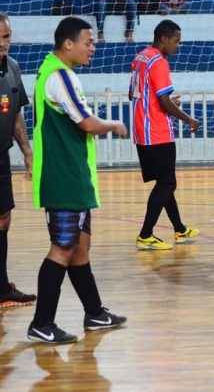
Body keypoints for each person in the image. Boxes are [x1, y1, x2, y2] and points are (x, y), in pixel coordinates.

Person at [28, 17, 127, 344]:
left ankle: (95, 313)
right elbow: (85, 122)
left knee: (80, 248)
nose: (93, 47)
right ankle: (42, 323)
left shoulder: (50, 71)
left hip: (71, 176)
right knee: (62, 248)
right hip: (64, 177)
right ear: (67, 44)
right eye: (88, 41)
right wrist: (113, 124)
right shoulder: (60, 76)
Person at [130, 20, 200, 250]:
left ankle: (179, 229)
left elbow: (134, 94)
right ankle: (145, 234)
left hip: (142, 130)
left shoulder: (141, 57)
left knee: (164, 182)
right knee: (167, 183)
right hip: (157, 132)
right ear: (164, 39)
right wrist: (187, 118)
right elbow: (162, 101)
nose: (177, 46)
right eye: (176, 41)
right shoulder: (159, 62)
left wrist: (167, 101)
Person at [0, 13, 35, 308]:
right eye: (0, 37)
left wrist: (27, 151)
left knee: (3, 219)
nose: (4, 43)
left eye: (7, 36)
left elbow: (17, 115)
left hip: (2, 157)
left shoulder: (13, 68)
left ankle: (2, 286)